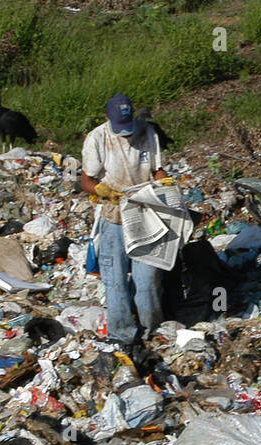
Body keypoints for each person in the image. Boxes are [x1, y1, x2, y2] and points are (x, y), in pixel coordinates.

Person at [81, 93, 168, 346]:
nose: (127, 134)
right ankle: (122, 336)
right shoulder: (97, 138)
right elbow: (86, 180)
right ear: (107, 118)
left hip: (145, 215)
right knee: (115, 281)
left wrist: (164, 182)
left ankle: (152, 331)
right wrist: (100, 190)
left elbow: (157, 168)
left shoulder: (147, 133)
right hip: (114, 216)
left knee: (148, 279)